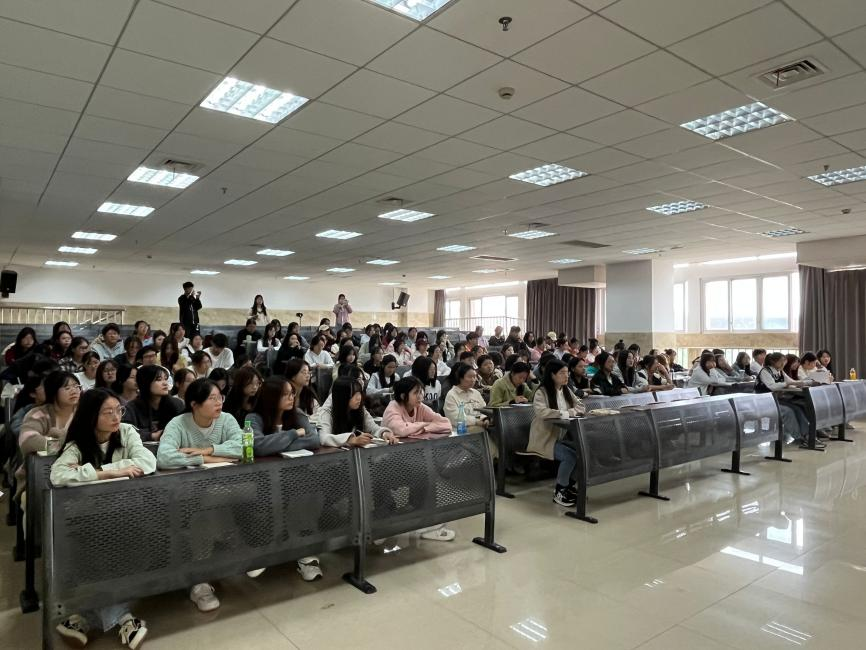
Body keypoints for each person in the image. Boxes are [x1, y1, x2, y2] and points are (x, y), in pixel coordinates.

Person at [50, 392, 152, 649]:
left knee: (121, 553)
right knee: (101, 556)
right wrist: (113, 473)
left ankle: (81, 618)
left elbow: (147, 462)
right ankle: (124, 619)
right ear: (91, 416)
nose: (116, 417)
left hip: (127, 514)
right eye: (108, 412)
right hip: (89, 518)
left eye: (119, 410)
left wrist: (97, 472)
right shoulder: (78, 444)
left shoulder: (126, 432)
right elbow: (58, 475)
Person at [156, 378, 243, 612]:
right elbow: (164, 457)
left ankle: (202, 579)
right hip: (188, 495)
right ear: (194, 404)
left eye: (220, 397)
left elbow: (242, 447)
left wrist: (207, 449)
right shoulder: (179, 424)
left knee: (210, 507)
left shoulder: (226, 420)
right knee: (204, 513)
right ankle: (211, 570)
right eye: (212, 398)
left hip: (226, 489)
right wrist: (207, 459)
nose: (219, 402)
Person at [246, 376, 322, 582]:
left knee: (308, 494)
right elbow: (257, 445)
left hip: (298, 475)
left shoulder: (297, 414)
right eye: (286, 394)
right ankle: (264, 550)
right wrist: (293, 435)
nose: (291, 398)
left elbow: (314, 439)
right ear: (272, 397)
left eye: (292, 393)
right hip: (263, 478)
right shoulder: (254, 418)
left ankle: (304, 554)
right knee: (267, 502)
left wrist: (276, 443)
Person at [527, 359, 585, 507]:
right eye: (562, 373)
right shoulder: (542, 392)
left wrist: (570, 412)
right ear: (552, 375)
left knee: (581, 453)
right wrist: (566, 413)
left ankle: (567, 486)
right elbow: (542, 412)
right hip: (544, 438)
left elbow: (581, 406)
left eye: (567, 373)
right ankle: (560, 491)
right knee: (569, 456)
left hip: (561, 437)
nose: (566, 376)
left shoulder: (566, 390)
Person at [316, 377, 396, 447]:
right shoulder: (327, 412)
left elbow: (373, 428)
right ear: (343, 396)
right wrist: (351, 440)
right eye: (354, 394)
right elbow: (324, 438)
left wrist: (384, 433)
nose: (359, 398)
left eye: (359, 393)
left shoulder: (360, 409)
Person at [756, 352, 815, 447]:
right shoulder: (765, 371)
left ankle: (806, 434)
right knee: (788, 412)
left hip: (776, 400)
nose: (783, 364)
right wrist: (786, 384)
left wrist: (811, 382)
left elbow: (792, 382)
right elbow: (772, 386)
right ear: (773, 362)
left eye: (784, 362)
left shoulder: (780, 372)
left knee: (798, 408)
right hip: (765, 402)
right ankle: (798, 437)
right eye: (781, 362)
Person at [122, 364, 183, 442]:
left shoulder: (177, 404)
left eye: (165, 379)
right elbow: (125, 433)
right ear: (146, 382)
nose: (165, 383)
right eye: (159, 379)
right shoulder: (132, 408)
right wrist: (151, 436)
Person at [443, 364, 489, 433]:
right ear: (460, 378)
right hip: (461, 430)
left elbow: (484, 410)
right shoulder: (452, 395)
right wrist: (475, 421)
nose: (473, 380)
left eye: (474, 377)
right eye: (470, 377)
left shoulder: (476, 393)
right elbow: (454, 417)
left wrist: (485, 419)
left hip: (480, 426)